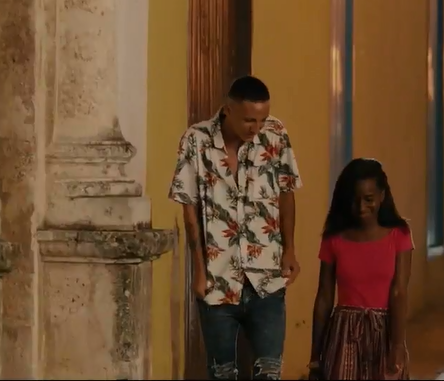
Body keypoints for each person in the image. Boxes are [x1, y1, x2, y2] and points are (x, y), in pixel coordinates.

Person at [169, 76, 303, 380]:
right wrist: (199, 270)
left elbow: (287, 191)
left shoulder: (276, 134)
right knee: (222, 373)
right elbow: (190, 210)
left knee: (270, 372)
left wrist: (290, 250)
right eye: (249, 120)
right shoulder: (196, 140)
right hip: (217, 278)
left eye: (262, 119)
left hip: (267, 276)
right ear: (228, 110)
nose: (256, 128)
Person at [309, 159, 413, 380]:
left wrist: (397, 345)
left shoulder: (399, 235)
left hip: (385, 333)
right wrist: (315, 357)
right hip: (343, 337)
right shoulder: (333, 239)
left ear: (382, 196)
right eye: (354, 200)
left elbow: (399, 292)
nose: (361, 207)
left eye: (368, 199)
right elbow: (324, 297)